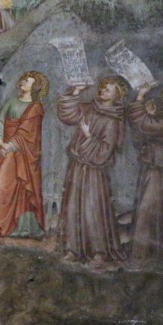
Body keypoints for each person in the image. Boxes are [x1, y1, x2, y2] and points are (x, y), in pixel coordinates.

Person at [58, 76, 128, 266]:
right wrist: (76, 92)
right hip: (78, 167)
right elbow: (68, 116)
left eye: (109, 89)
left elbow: (105, 152)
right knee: (73, 206)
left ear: (118, 94)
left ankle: (98, 252)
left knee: (93, 209)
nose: (103, 90)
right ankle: (73, 249)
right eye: (103, 86)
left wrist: (88, 135)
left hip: (95, 172)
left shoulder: (113, 120)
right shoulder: (89, 108)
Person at [0, 71, 48, 239]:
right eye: (23, 79)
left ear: (35, 87)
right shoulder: (11, 102)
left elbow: (28, 133)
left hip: (21, 153)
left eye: (28, 81)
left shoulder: (36, 107)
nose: (23, 82)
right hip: (4, 149)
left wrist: (10, 146)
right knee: (0, 187)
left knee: (5, 187)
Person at [127, 83, 163, 268]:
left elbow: (147, 126)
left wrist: (140, 99)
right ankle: (145, 256)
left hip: (162, 172)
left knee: (148, 211)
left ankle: (142, 258)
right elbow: (140, 139)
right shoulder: (161, 117)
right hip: (151, 168)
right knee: (147, 211)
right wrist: (149, 116)